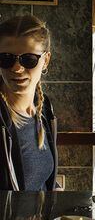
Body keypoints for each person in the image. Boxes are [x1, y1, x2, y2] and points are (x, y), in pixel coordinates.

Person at [0, 15, 57, 191]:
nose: (17, 68)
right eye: (6, 59)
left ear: (45, 60)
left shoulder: (43, 107)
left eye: (28, 59)